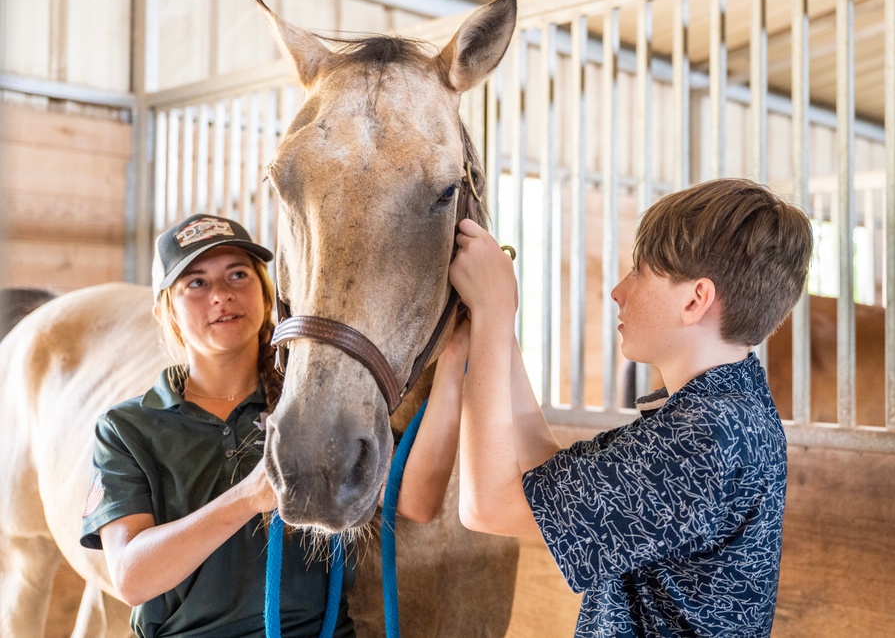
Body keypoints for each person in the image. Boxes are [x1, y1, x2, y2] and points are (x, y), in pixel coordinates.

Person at [447, 178, 814, 636]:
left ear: (695, 299)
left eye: (640, 271)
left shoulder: (706, 434)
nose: (619, 290)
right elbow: (549, 473)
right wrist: (501, 324)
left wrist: (491, 315)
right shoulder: (733, 404)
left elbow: (487, 507)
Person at [80, 213, 461, 638]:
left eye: (238, 274)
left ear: (266, 296)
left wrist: (453, 362)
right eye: (196, 283)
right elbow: (132, 578)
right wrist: (248, 497)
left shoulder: (312, 406)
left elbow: (416, 502)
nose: (222, 294)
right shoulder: (126, 428)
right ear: (167, 311)